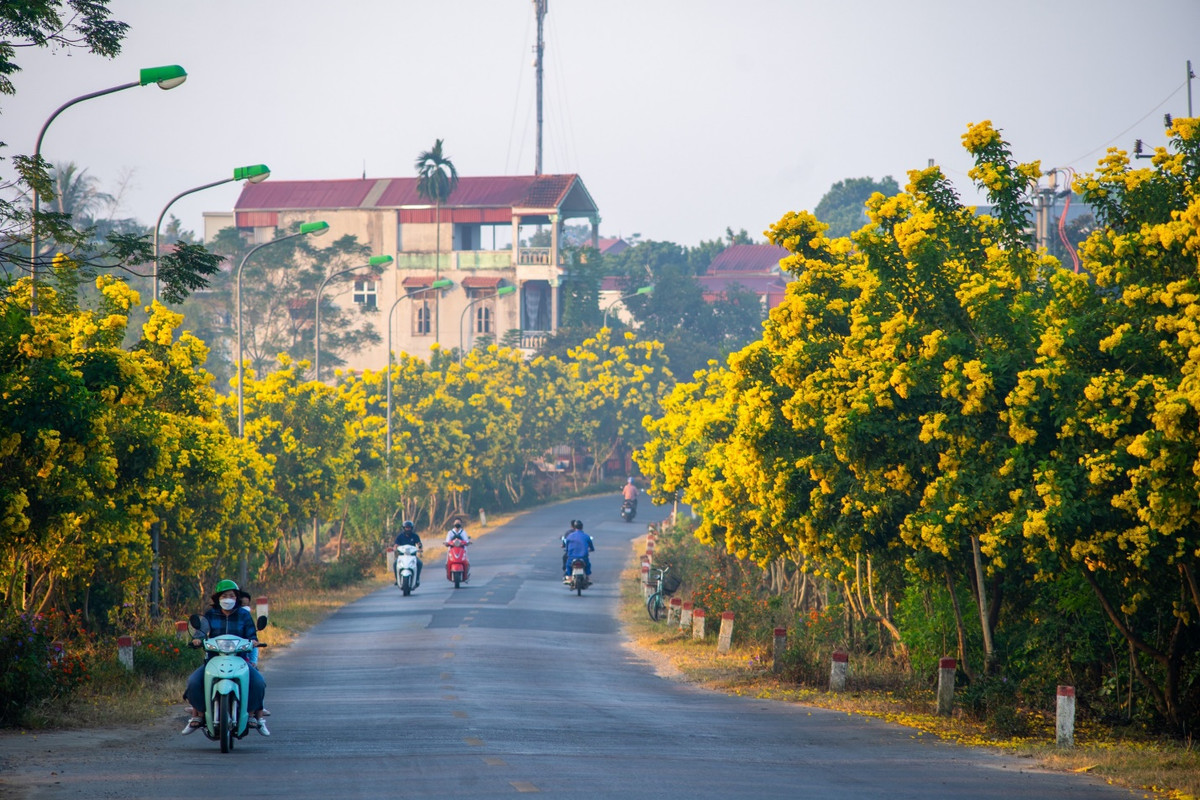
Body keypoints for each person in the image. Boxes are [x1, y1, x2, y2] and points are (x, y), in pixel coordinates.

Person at [182, 579, 269, 736]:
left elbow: (251, 634)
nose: (228, 599)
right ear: (218, 598)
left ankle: (252, 715)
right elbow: (202, 632)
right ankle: (200, 714)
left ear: (237, 598)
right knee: (194, 681)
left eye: (232, 595)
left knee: (258, 683)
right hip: (214, 660)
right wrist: (197, 639)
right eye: (224, 596)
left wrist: (254, 641)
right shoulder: (210, 615)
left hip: (240, 660)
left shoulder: (244, 615)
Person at [562, 519, 595, 584]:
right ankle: (588, 577)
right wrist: (591, 550)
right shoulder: (586, 536)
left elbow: (567, 547)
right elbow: (592, 547)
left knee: (568, 565)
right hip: (583, 557)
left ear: (574, 527)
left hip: (572, 557)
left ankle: (570, 578)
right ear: (582, 527)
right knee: (588, 565)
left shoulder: (570, 536)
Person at [393, 520, 423, 586]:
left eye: (409, 527)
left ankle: (417, 579)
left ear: (411, 528)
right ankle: (397, 579)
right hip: (402, 556)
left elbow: (419, 543)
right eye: (406, 527)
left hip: (412, 557)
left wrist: (420, 548)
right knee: (395, 564)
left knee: (419, 563)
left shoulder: (415, 536)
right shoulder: (400, 536)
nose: (408, 529)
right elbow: (396, 544)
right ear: (404, 528)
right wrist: (395, 548)